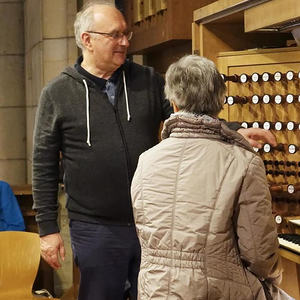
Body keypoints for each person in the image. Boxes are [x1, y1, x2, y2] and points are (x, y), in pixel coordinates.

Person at [32, 1, 277, 300]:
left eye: (126, 34)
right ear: (87, 39)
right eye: (115, 35)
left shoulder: (146, 79)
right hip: (95, 227)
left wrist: (234, 130)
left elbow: (189, 116)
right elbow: (43, 163)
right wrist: (47, 229)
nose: (124, 42)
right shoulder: (57, 93)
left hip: (152, 226)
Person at [131, 55, 283, 300]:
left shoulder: (146, 160)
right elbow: (258, 254)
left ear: (173, 103)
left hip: (155, 291)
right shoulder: (244, 162)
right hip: (219, 292)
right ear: (220, 100)